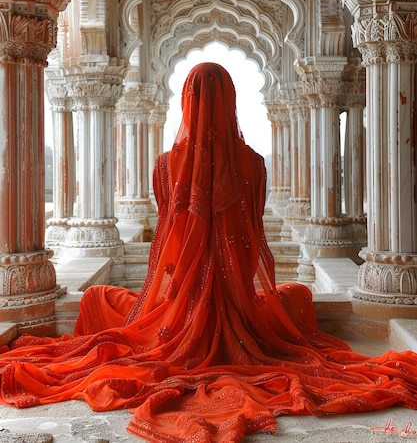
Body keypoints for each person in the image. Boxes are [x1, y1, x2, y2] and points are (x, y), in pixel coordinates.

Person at [1, 61, 417, 442]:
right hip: (237, 292)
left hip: (181, 298)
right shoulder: (253, 164)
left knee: (97, 298)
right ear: (231, 101)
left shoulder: (166, 166)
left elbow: (169, 240)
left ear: (187, 100)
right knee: (297, 297)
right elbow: (254, 238)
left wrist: (173, 297)